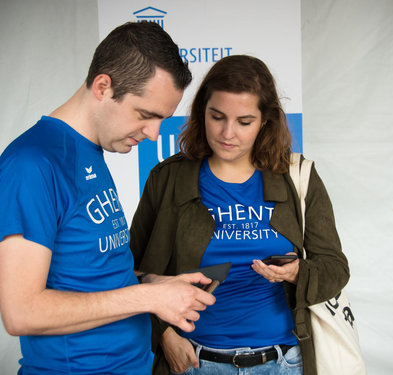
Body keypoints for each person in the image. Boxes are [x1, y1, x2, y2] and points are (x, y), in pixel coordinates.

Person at [0, 21, 216, 375]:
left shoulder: (91, 151)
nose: (152, 134)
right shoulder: (32, 164)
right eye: (146, 115)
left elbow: (88, 270)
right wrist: (148, 299)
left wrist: (151, 282)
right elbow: (21, 311)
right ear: (103, 86)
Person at [129, 55, 350, 375]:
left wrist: (296, 272)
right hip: (193, 362)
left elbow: (335, 270)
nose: (227, 133)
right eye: (216, 116)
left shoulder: (298, 178)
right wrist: (163, 335)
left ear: (265, 121)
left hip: (282, 363)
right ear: (201, 111)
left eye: (244, 122)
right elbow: (130, 272)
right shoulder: (168, 179)